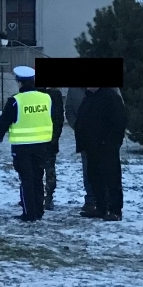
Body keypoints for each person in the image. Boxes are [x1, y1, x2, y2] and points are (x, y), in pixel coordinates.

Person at [0, 65, 53, 222]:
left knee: (26, 179)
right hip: (41, 144)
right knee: (38, 177)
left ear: (19, 82)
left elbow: (4, 120)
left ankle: (29, 213)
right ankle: (39, 210)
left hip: (22, 146)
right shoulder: (46, 98)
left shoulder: (16, 101)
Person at [73, 86, 127, 221]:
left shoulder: (111, 97)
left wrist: (110, 142)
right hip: (91, 147)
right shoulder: (89, 97)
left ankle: (115, 210)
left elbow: (119, 121)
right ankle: (101, 207)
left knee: (111, 179)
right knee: (94, 177)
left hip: (106, 147)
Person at [65, 86, 96, 216]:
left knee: (105, 169)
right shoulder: (74, 90)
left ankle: (106, 200)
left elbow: (118, 108)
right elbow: (69, 110)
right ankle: (91, 200)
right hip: (85, 137)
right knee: (88, 169)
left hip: (105, 137)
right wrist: (78, 127)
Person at [42, 84, 65, 210]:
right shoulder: (55, 96)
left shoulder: (53, 96)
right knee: (49, 170)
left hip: (43, 140)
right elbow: (59, 119)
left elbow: (58, 119)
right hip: (49, 139)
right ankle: (47, 196)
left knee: (41, 170)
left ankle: (46, 196)